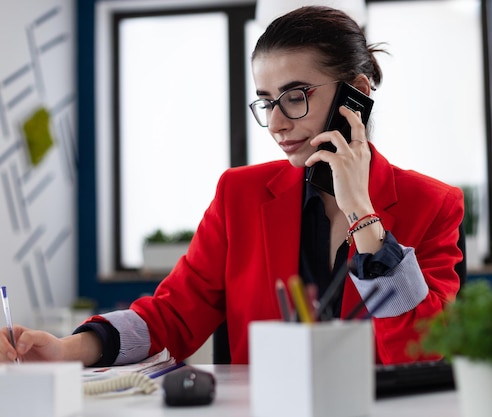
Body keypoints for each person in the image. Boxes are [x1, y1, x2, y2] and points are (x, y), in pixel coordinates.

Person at [0, 6, 464, 366]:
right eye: (266, 102)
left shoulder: (434, 205)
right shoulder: (239, 195)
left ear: (355, 94)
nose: (277, 124)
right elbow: (172, 314)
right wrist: (67, 350)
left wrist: (363, 216)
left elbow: (419, 355)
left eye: (296, 96)